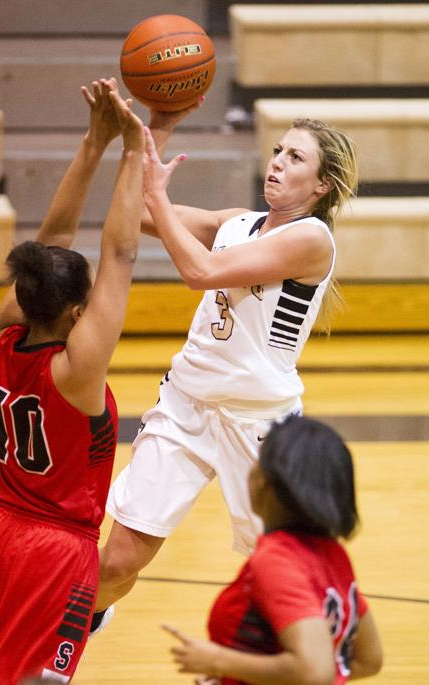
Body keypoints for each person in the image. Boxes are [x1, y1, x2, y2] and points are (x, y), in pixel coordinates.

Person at [93, 105, 359, 622]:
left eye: (295, 157)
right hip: (186, 407)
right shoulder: (235, 223)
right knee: (118, 561)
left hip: (260, 424)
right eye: (278, 150)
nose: (277, 161)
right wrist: (158, 131)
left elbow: (201, 271)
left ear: (322, 184)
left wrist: (157, 196)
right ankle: (69, 642)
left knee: (281, 571)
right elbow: (133, 213)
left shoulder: (311, 240)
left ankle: (317, 650)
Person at [0, 78, 144, 684]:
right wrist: (134, 148)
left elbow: (49, 244)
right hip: (52, 554)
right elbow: (120, 254)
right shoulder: (77, 372)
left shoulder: (7, 335)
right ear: (77, 313)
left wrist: (92, 144)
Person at [162, 414, 383, 685]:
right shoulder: (334, 555)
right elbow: (369, 659)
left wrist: (217, 660)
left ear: (268, 482)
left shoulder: (276, 561)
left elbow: (314, 671)